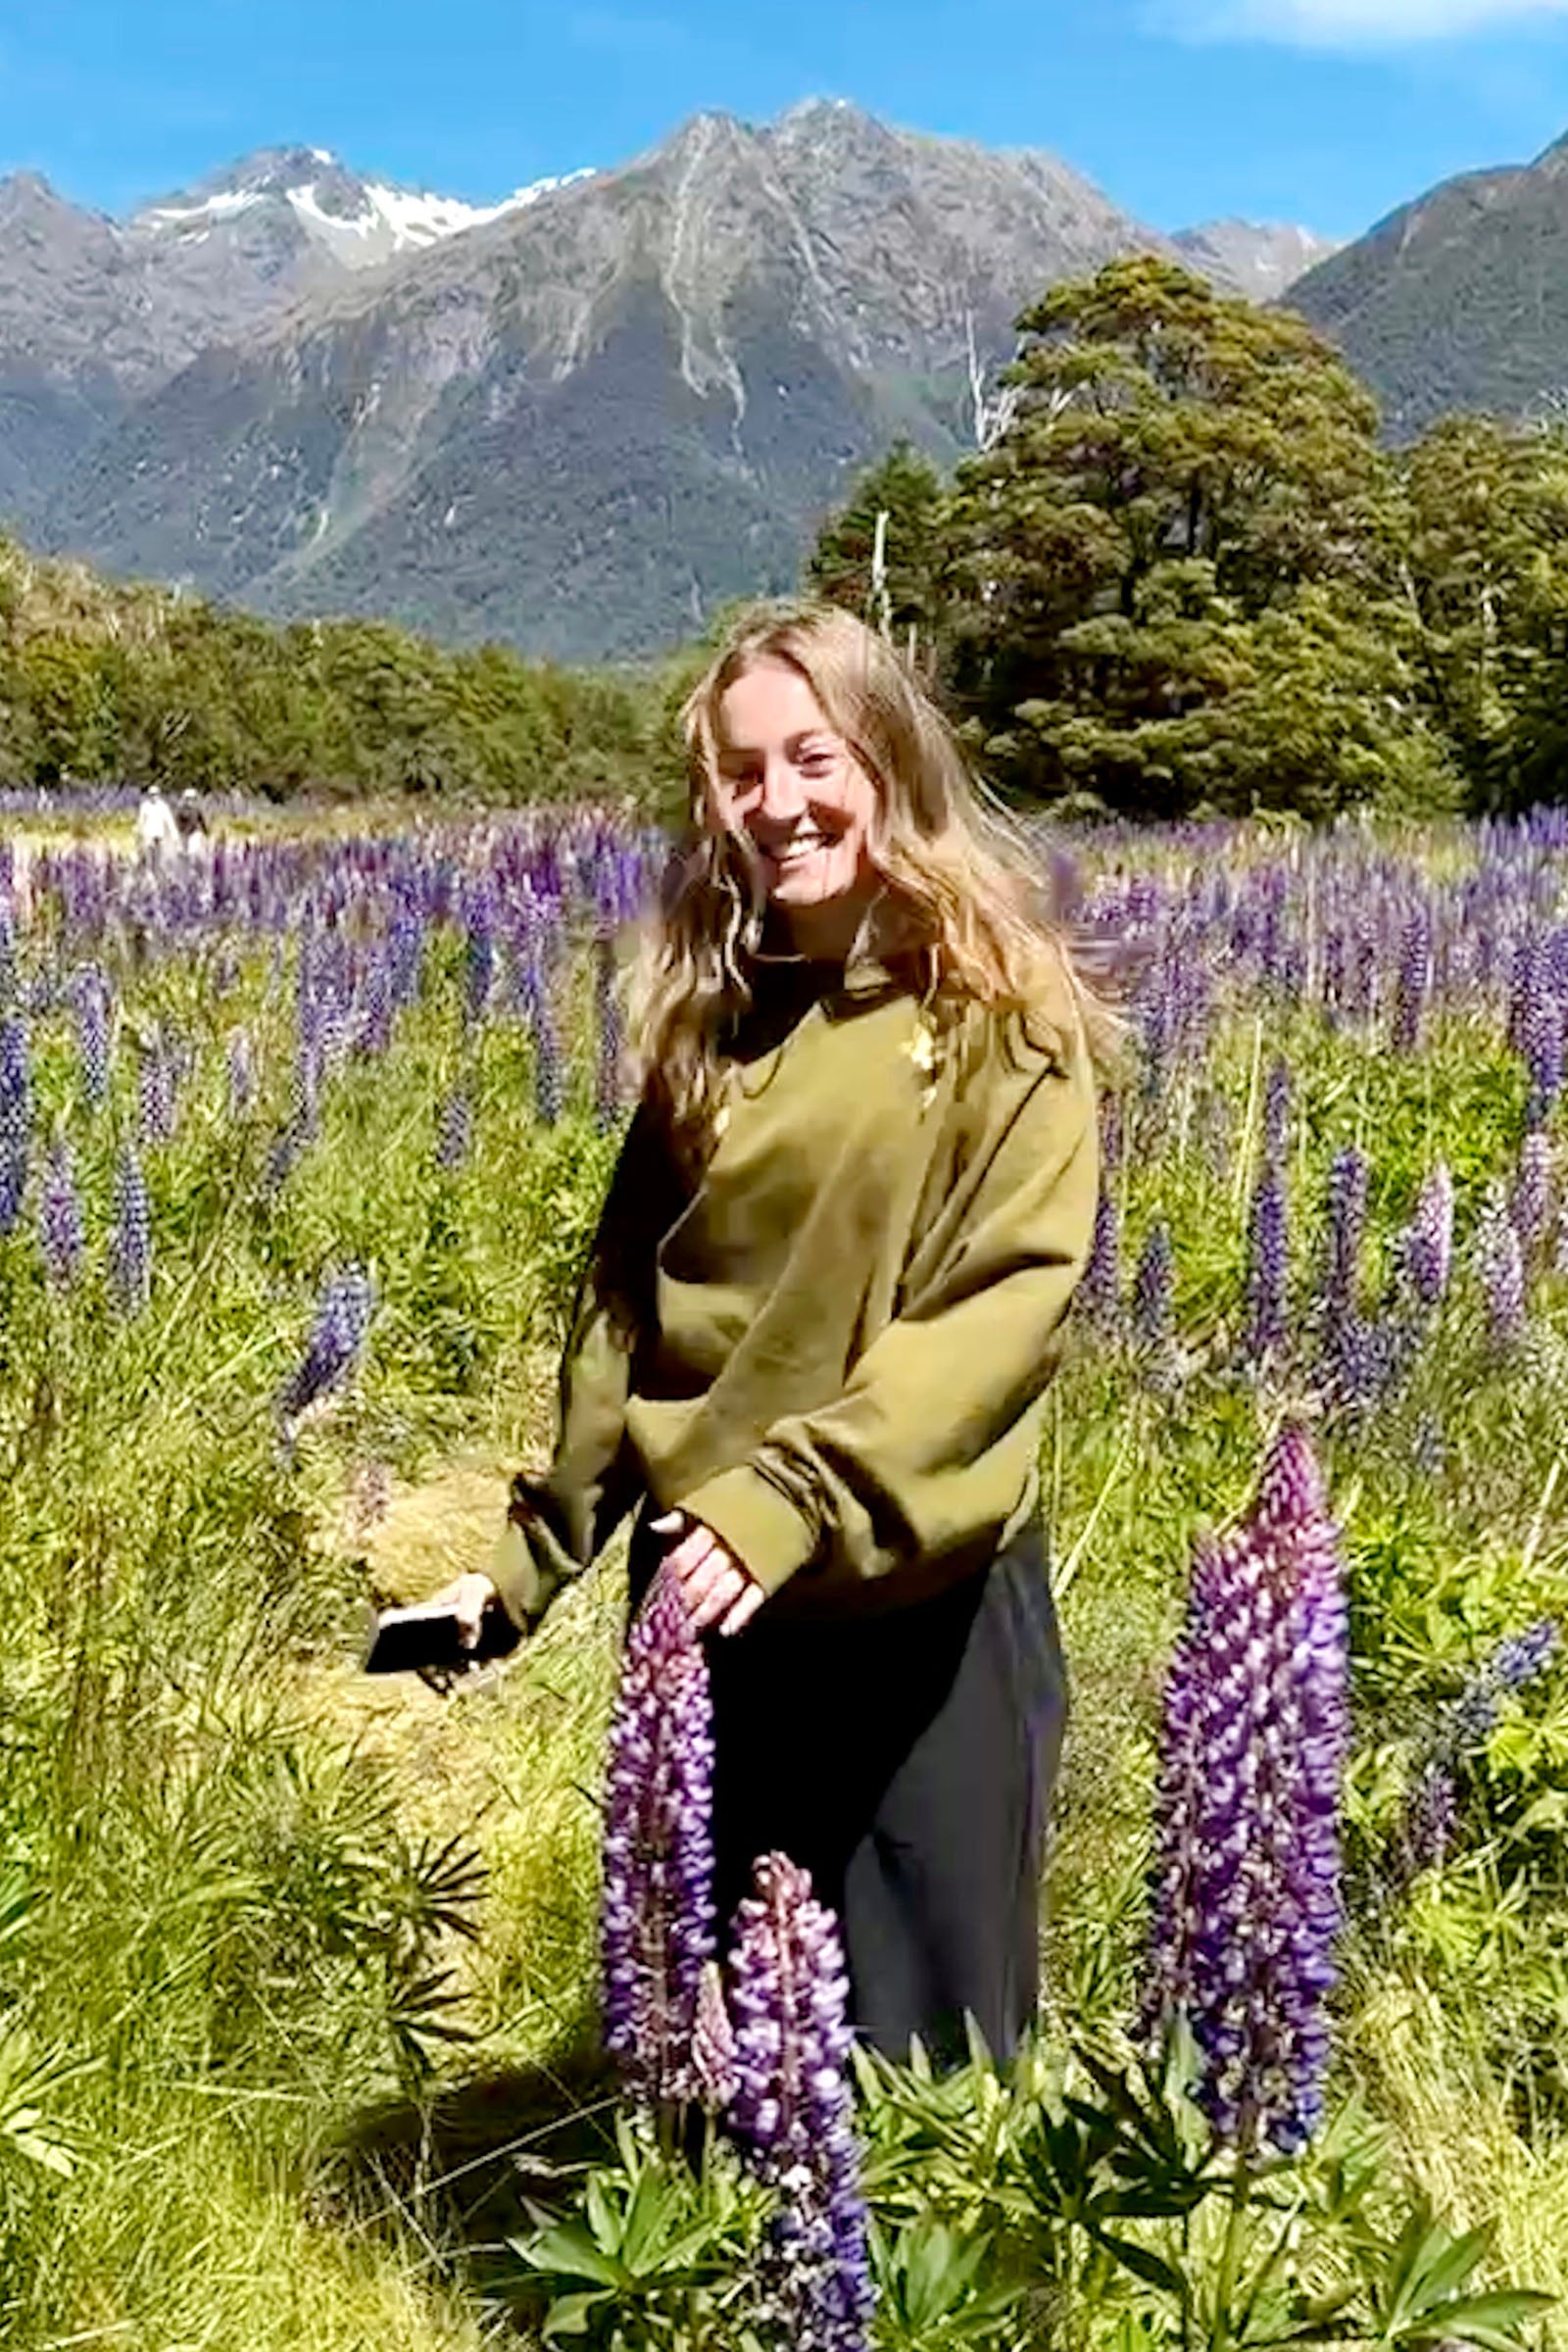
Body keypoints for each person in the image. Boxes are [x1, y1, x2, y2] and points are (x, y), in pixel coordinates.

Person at [445, 602, 1105, 2064]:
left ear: (884, 757)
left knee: (927, 2061)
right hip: (717, 1606)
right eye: (742, 772)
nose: (779, 801)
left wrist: (793, 1495)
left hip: (915, 1597)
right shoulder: (712, 1013)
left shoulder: (1003, 1011)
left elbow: (999, 1313)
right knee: (713, 2039)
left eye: (813, 756)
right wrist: (519, 1572)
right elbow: (630, 1320)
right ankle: (694, 2298)